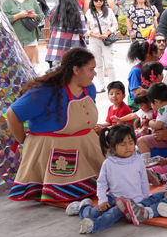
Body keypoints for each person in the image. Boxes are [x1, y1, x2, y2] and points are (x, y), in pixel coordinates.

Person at [7, 47, 105, 204]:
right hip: (55, 152)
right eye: (91, 69)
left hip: (87, 149)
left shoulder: (89, 88)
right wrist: (24, 141)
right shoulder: (45, 92)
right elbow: (12, 115)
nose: (95, 73)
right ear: (76, 70)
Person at [65, 124, 147, 234]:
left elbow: (144, 180)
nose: (128, 147)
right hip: (112, 198)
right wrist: (103, 201)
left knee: (112, 214)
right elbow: (102, 183)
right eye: (123, 144)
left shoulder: (138, 160)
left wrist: (145, 199)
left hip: (132, 202)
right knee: (93, 213)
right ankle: (83, 207)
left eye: (131, 143)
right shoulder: (108, 163)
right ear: (112, 146)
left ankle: (93, 226)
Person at [2, 0, 44, 64]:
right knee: (16, 63)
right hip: (14, 38)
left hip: (30, 36)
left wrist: (34, 15)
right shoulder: (7, 2)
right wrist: (19, 15)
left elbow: (40, 17)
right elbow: (3, 20)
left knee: (28, 63)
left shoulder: (33, 1)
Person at [45, 0, 88, 68]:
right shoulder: (77, 11)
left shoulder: (54, 10)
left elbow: (51, 29)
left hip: (53, 52)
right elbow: (82, 31)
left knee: (56, 79)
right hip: (71, 54)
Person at [86, 0, 118, 89]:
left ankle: (113, 85)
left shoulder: (109, 11)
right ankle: (101, 85)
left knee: (109, 63)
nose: (99, 2)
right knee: (97, 63)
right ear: (93, 2)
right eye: (96, 0)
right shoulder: (89, 12)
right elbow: (86, 28)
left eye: (101, 0)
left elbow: (115, 25)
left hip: (106, 39)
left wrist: (107, 34)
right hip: (94, 40)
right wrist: (94, 35)